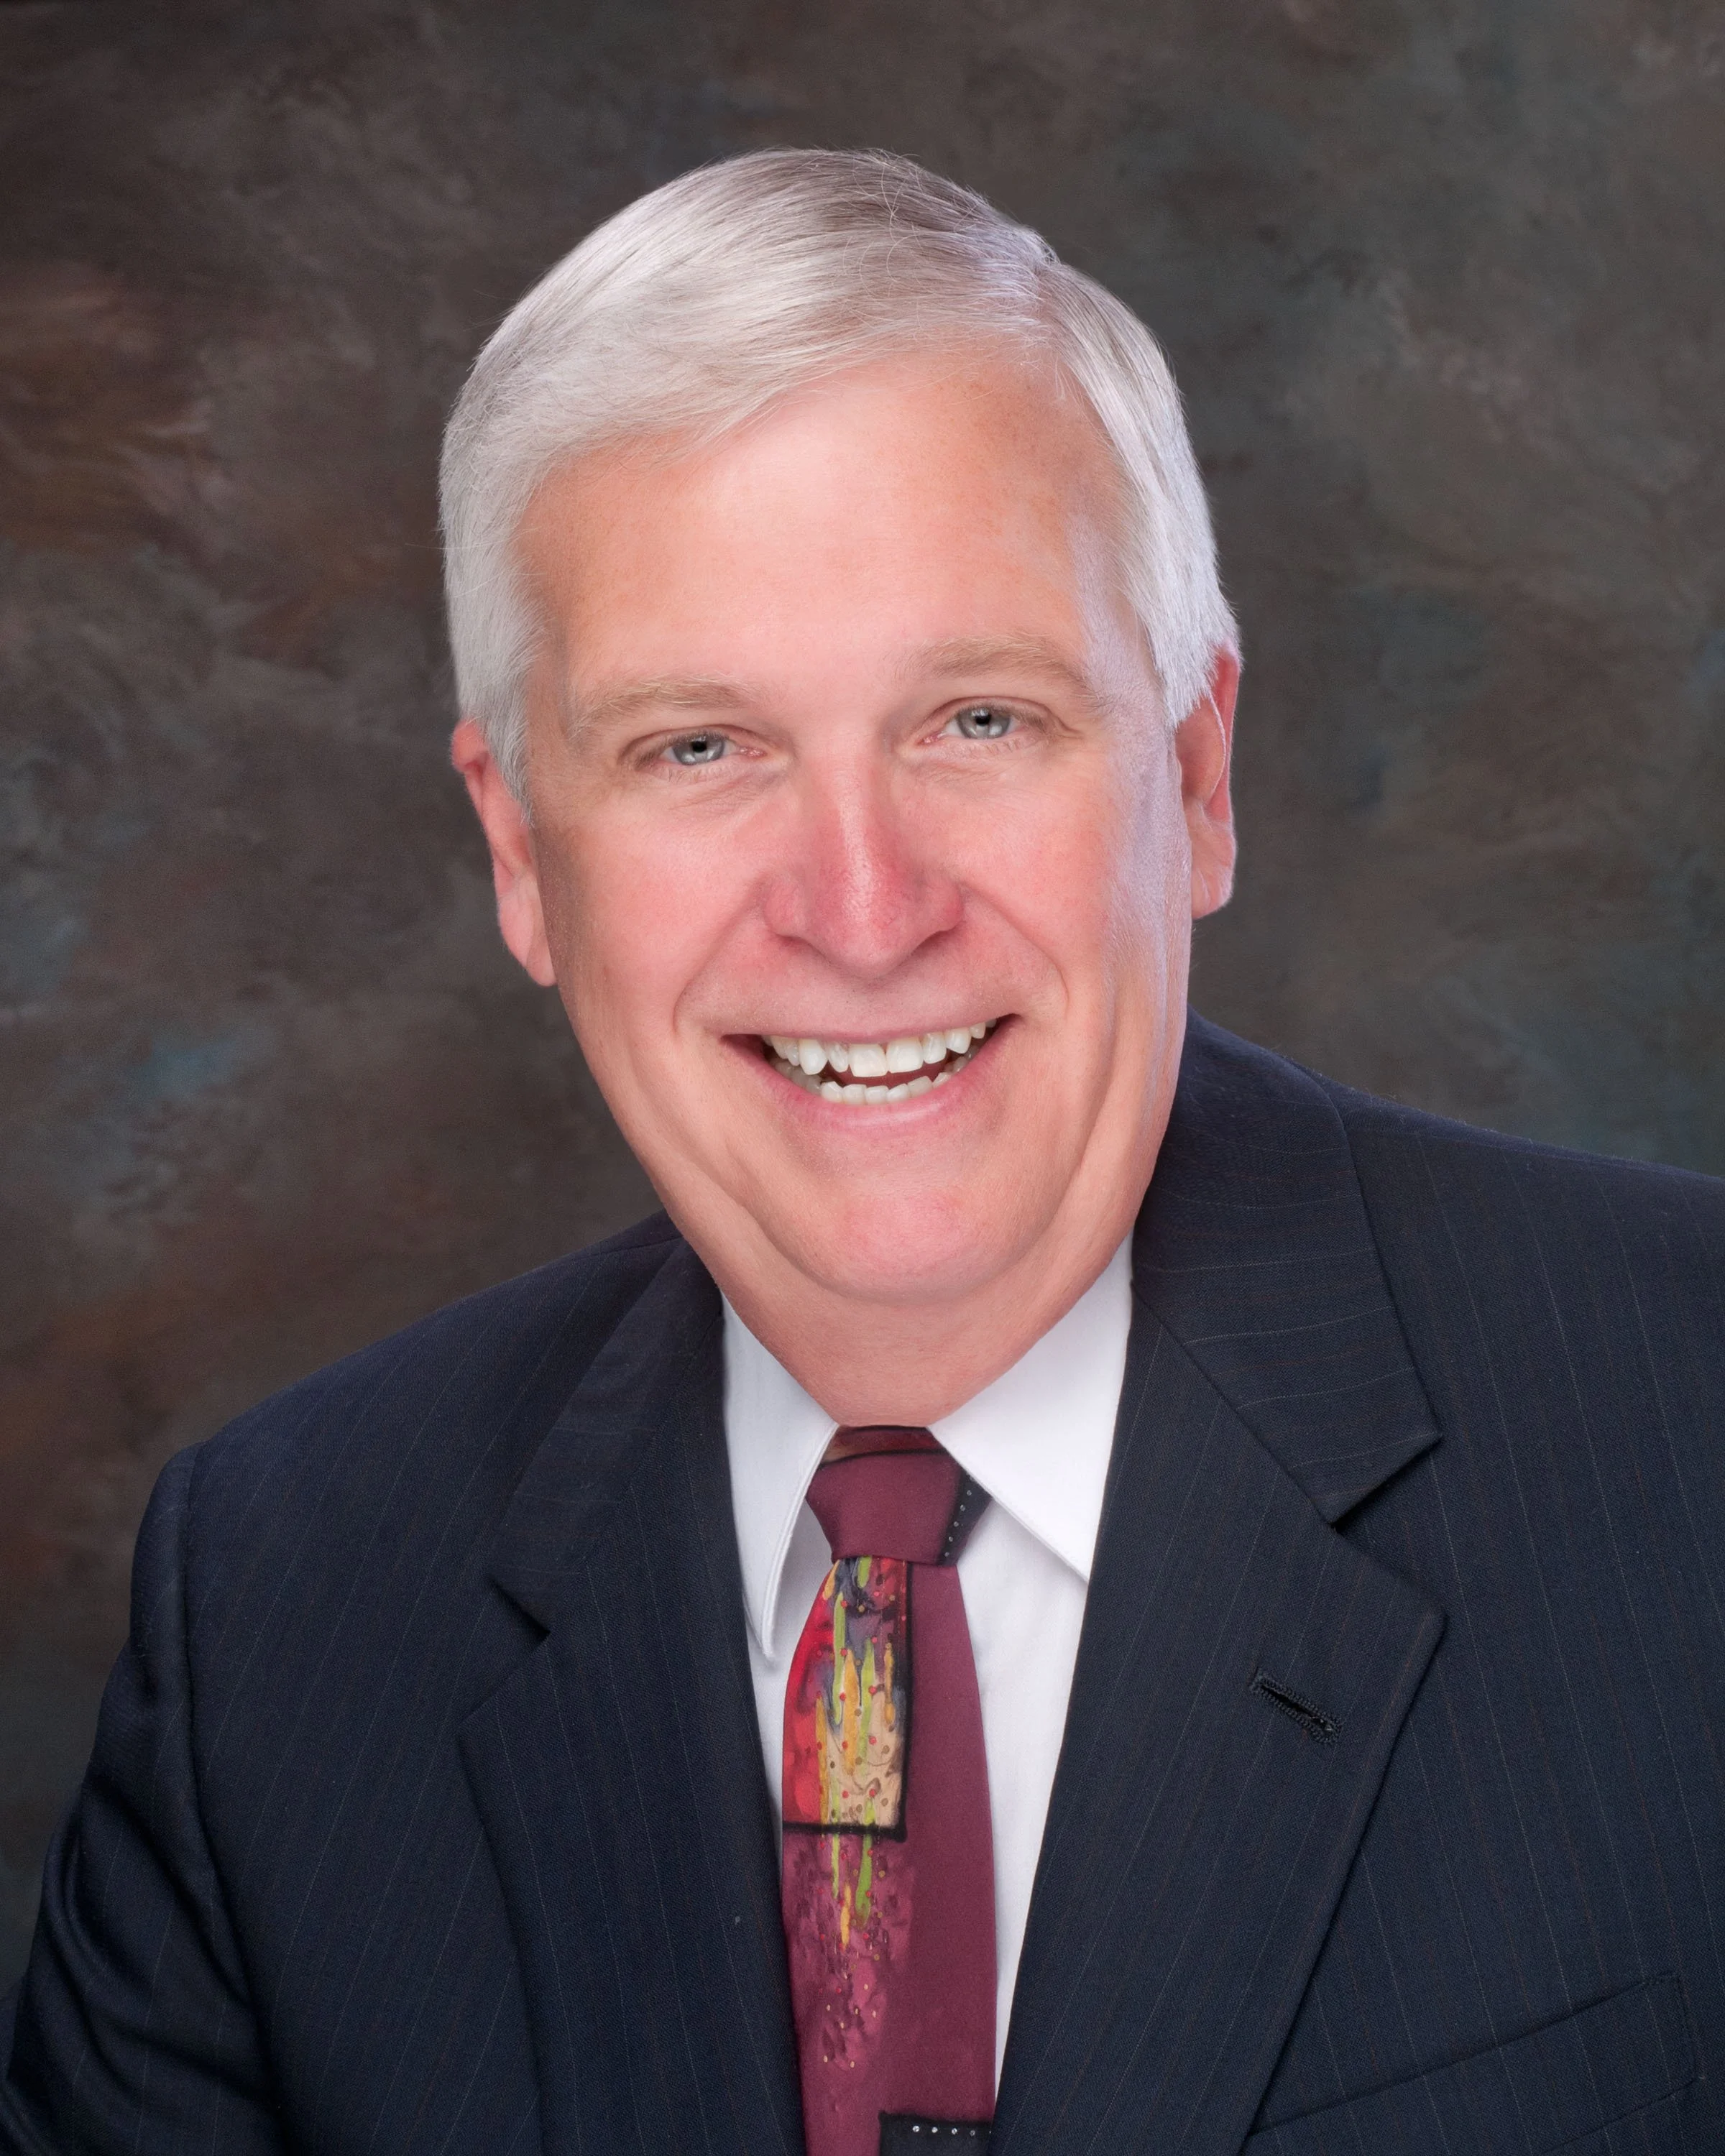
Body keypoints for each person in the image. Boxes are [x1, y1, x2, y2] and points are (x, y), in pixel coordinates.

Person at [2, 147, 1721, 2156]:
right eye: (697, 749)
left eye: (977, 720)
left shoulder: (1686, 1433)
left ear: (1197, 773)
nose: (861, 903)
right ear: (518, 853)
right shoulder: (288, 1613)